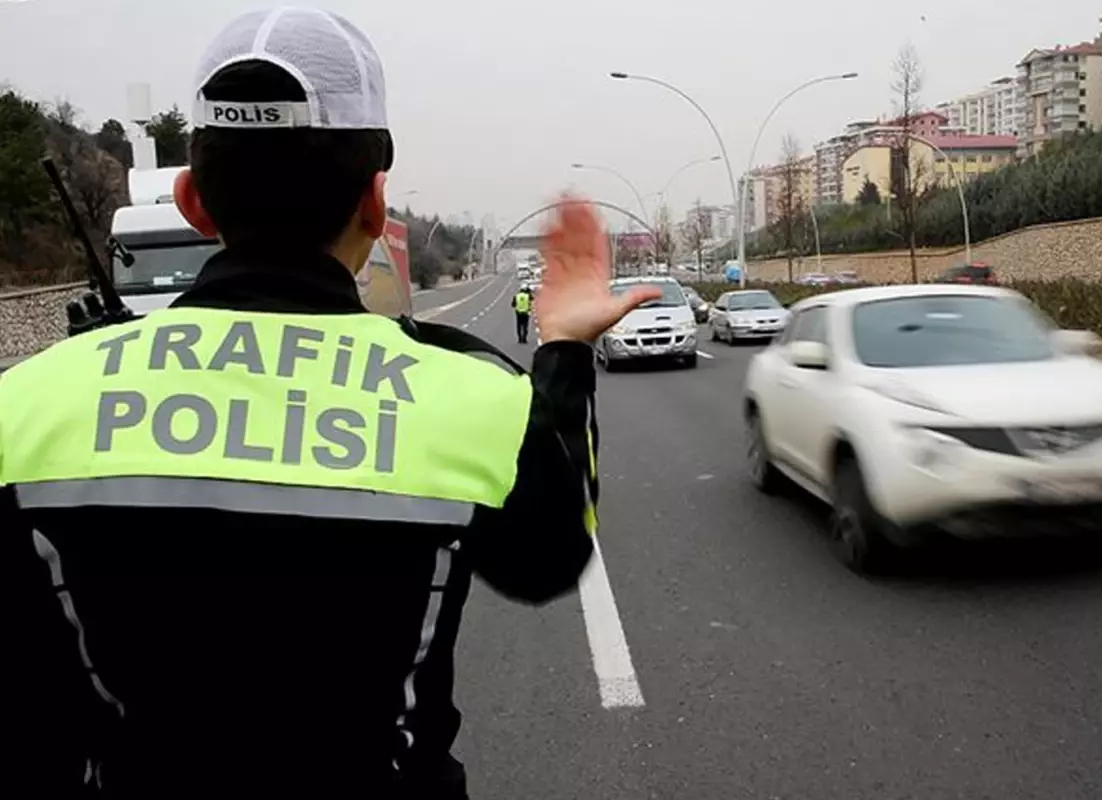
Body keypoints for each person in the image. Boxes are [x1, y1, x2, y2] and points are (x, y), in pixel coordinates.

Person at [1, 8, 659, 799]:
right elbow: (550, 559)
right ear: (376, 204)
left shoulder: (28, 405)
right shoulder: (475, 398)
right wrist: (561, 351)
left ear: (191, 201)